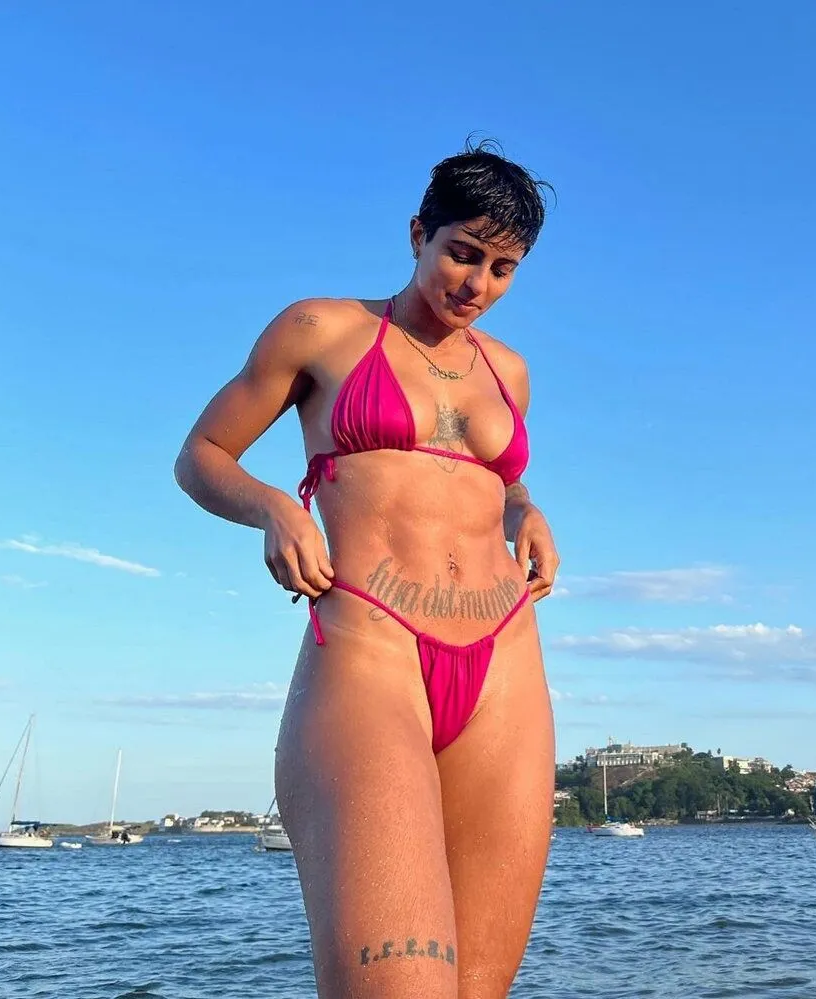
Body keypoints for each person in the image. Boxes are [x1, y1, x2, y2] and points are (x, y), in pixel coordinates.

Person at [174, 139, 560, 999]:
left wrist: (524, 509)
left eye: (502, 269)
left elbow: (493, 477)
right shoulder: (323, 329)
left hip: (505, 657)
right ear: (419, 233)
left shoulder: (510, 372)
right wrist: (274, 508)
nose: (477, 284)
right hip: (370, 651)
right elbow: (201, 454)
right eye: (462, 253)